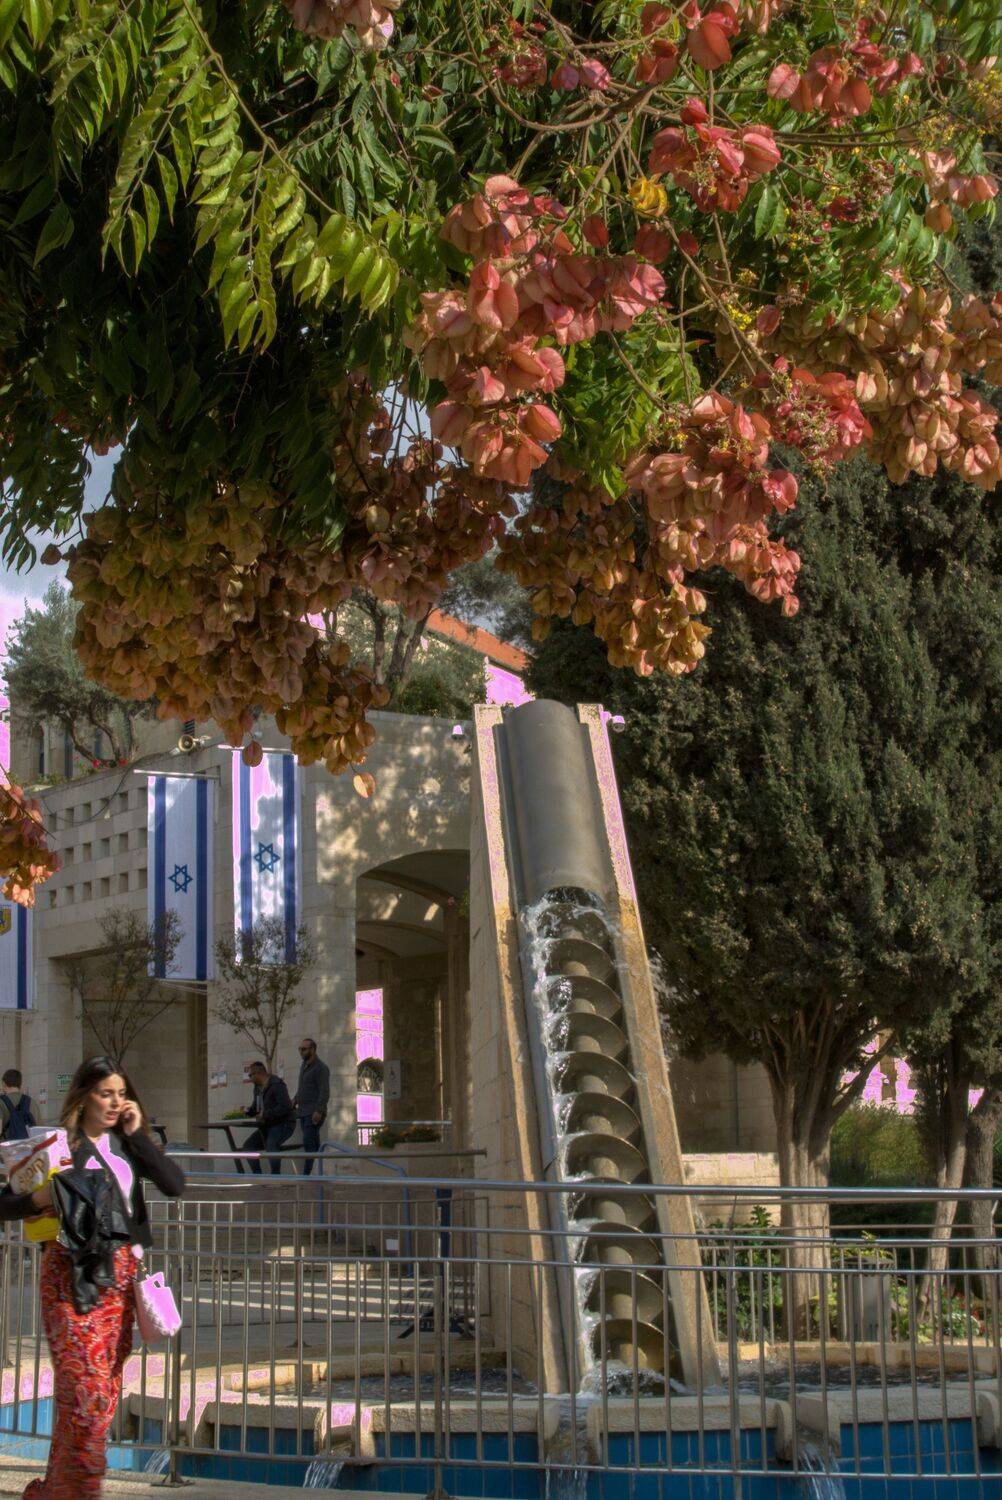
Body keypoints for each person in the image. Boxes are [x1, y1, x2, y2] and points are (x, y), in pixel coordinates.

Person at [0, 1055, 185, 1499]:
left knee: (93, 1405)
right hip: (70, 1281)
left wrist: (138, 1136)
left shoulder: (125, 1146)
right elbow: (4, 1202)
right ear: (84, 1097)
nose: (116, 1102)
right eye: (106, 1094)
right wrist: (34, 1201)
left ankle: (56, 1492)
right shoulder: (59, 1147)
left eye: (121, 1094)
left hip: (119, 1287)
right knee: (88, 1395)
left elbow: (174, 1184)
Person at [242, 1062, 294, 1174]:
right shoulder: (257, 1088)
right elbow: (256, 1107)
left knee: (271, 1144)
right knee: (248, 1146)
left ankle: (275, 1176)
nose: (249, 1078)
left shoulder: (276, 1085)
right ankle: (258, 1176)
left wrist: (265, 1114)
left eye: (250, 1075)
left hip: (283, 1124)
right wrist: (247, 1111)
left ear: (258, 1073)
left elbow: (285, 1107)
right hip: (267, 1125)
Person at [292, 1038, 330, 1176]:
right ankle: (318, 1173)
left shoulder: (321, 1068)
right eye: (299, 1049)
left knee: (309, 1145)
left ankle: (307, 1176)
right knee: (313, 1144)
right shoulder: (304, 1065)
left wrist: (319, 1110)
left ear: (313, 1050)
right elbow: (303, 1087)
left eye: (304, 1049)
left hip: (313, 1113)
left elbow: (324, 1091)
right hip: (303, 1112)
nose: (300, 1052)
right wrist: (295, 1099)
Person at [0, 1069, 36, 1141]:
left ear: (4, 1083)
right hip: (27, 1146)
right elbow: (38, 1129)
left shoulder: (1, 1102)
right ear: (20, 1084)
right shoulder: (31, 1102)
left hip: (6, 1146)